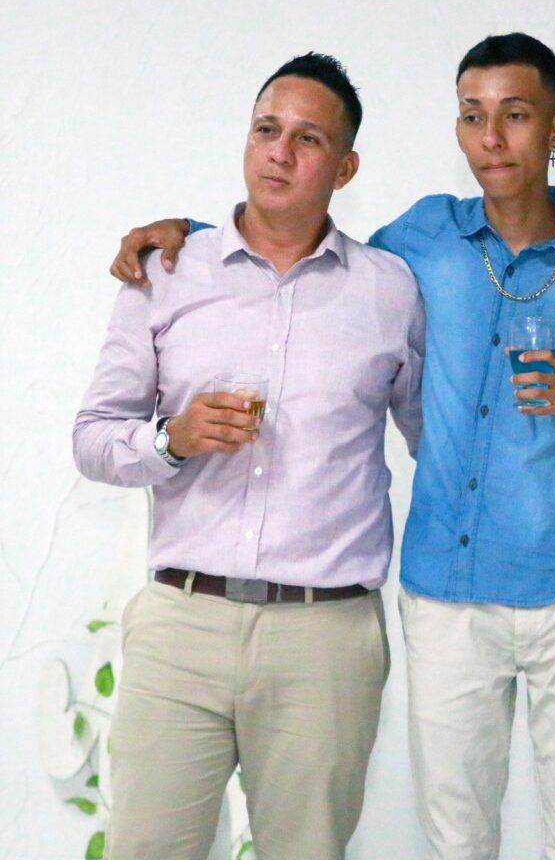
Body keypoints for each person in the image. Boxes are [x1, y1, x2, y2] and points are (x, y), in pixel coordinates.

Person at [110, 33, 555, 860]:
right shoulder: (420, 243)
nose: (492, 138)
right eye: (473, 116)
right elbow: (292, 239)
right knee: (453, 842)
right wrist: (191, 232)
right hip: (449, 592)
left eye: (516, 116)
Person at [73, 53, 425, 860]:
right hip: (181, 624)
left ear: (345, 168)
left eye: (308, 139)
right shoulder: (166, 271)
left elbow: (443, 444)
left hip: (325, 638)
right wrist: (171, 439)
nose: (280, 152)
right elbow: (93, 435)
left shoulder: (390, 290)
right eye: (267, 129)